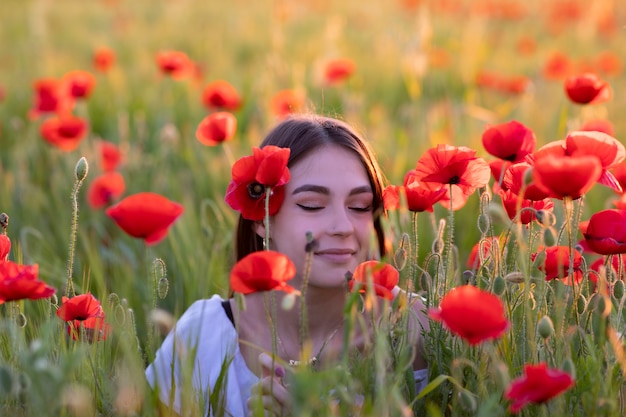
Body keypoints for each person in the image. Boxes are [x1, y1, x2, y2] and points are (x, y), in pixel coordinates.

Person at [145, 114, 430, 416]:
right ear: (262, 218)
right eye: (312, 205)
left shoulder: (412, 328)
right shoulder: (205, 336)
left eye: (359, 206)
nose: (343, 226)